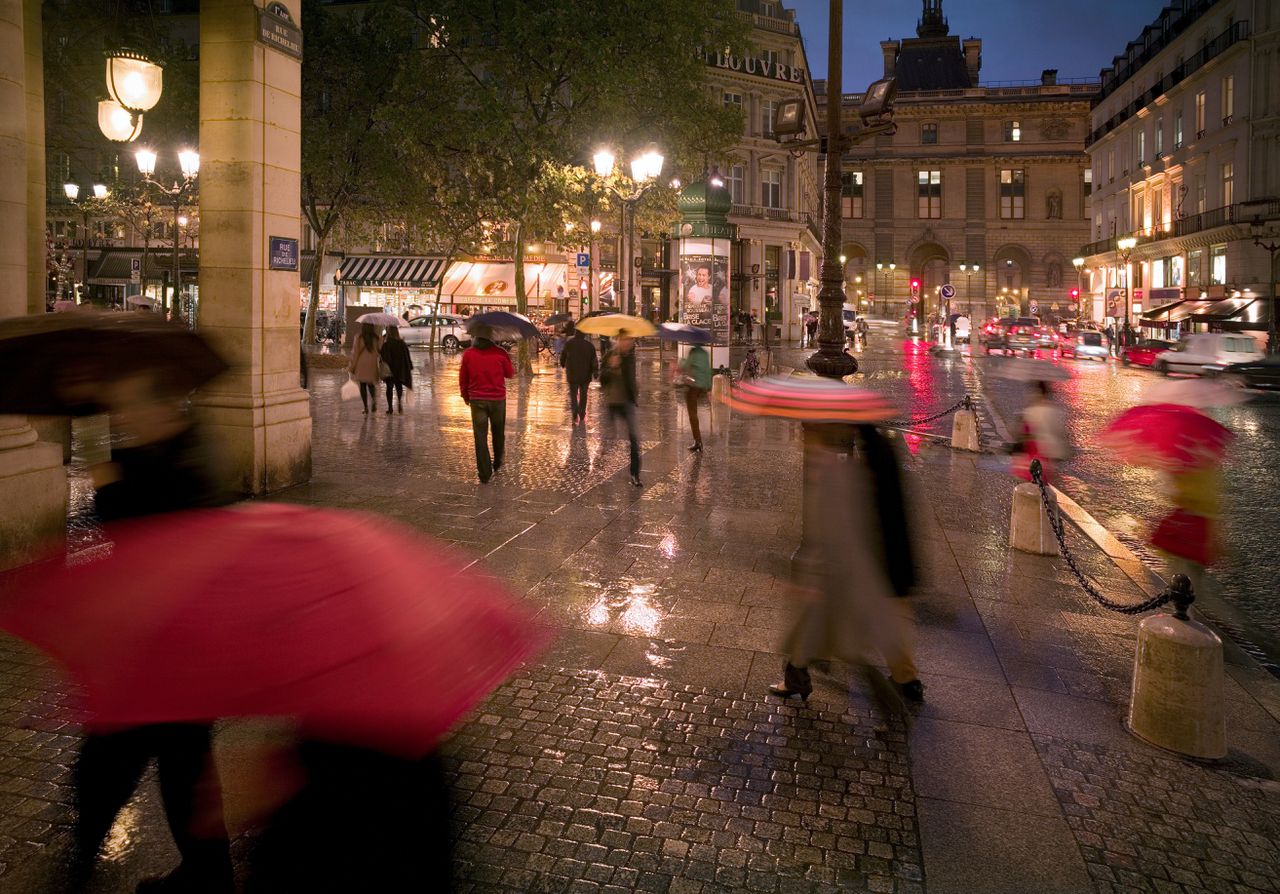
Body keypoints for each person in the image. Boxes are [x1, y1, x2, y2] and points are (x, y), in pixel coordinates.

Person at [71, 369, 235, 894]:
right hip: (180, 642)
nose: (120, 416)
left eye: (127, 404)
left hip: (161, 643)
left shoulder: (157, 462)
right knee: (179, 763)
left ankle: (79, 865)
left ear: (155, 404)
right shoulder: (194, 446)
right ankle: (208, 872)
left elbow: (126, 537)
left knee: (119, 763)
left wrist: (108, 483)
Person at [769, 424, 924, 709]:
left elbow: (838, 529)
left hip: (839, 573)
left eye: (806, 431)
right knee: (821, 638)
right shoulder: (860, 458)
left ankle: (895, 697)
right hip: (853, 568)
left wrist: (812, 573)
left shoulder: (837, 470)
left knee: (841, 642)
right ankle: (798, 677)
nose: (802, 436)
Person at [459, 331, 515, 483]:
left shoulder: (469, 354)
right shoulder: (500, 353)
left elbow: (463, 378)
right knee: (498, 432)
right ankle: (497, 461)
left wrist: (465, 395)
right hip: (497, 400)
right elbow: (510, 374)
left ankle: (484, 472)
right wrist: (507, 358)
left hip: (477, 400)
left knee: (480, 436)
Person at [600, 335, 642, 486]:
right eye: (625, 339)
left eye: (630, 340)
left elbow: (631, 378)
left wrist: (635, 388)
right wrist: (611, 367)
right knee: (609, 436)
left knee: (634, 439)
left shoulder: (630, 357)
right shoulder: (610, 355)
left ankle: (635, 474)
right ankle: (602, 456)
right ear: (619, 340)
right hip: (613, 402)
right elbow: (601, 379)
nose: (628, 342)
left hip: (627, 403)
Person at [1011, 380, 1071, 484]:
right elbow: (1061, 434)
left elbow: (1018, 433)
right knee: (1043, 486)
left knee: (1029, 487)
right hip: (1048, 458)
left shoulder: (1030, 412)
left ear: (1037, 393)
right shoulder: (1056, 412)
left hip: (1030, 459)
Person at [559, 324, 598, 425]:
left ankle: (574, 412)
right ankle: (581, 412)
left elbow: (563, 355)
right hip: (585, 375)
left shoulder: (569, 343)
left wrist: (563, 364)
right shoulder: (589, 346)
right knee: (584, 395)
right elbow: (594, 360)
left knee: (573, 394)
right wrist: (595, 372)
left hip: (572, 374)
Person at [679, 342, 712, 452]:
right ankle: (697, 440)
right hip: (702, 387)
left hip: (693, 386)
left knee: (693, 414)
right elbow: (708, 371)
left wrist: (681, 360)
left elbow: (685, 366)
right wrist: (708, 389)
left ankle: (698, 441)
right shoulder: (705, 353)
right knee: (695, 414)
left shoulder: (693, 352)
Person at [348, 323, 384, 415]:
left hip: (361, 364)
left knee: (362, 386)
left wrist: (352, 367)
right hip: (372, 364)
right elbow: (380, 350)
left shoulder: (359, 337)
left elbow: (355, 353)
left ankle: (365, 408)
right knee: (371, 385)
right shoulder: (376, 338)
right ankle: (374, 401)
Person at [379, 325, 413, 415]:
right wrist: (409, 366)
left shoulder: (387, 344)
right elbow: (407, 356)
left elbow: (382, 356)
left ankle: (390, 408)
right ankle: (399, 404)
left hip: (390, 370)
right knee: (399, 387)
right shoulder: (402, 343)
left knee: (389, 388)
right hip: (400, 369)